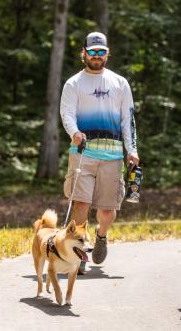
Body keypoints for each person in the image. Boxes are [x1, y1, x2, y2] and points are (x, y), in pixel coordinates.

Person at [60, 32, 139, 274]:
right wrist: (74, 132)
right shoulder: (73, 83)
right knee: (81, 203)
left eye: (101, 52)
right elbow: (67, 113)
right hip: (82, 152)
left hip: (113, 155)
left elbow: (128, 120)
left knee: (107, 210)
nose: (96, 56)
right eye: (92, 52)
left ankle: (101, 235)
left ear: (107, 53)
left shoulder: (120, 83)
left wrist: (132, 150)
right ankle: (80, 253)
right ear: (83, 53)